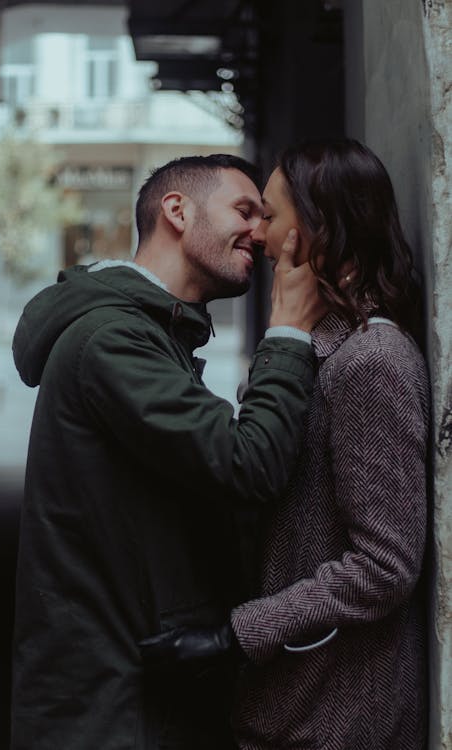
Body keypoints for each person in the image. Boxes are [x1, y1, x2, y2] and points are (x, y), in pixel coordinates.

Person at [10, 153, 327, 750]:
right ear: (176, 211)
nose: (260, 234)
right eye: (244, 210)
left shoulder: (153, 333)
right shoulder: (113, 340)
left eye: (265, 216)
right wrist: (289, 332)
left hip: (139, 693)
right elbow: (248, 461)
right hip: (113, 714)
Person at [141, 141, 429, 750]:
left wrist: (239, 633)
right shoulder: (317, 348)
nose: (259, 236)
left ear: (320, 224)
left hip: (338, 716)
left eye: (269, 215)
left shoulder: (371, 361)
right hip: (290, 704)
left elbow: (385, 567)